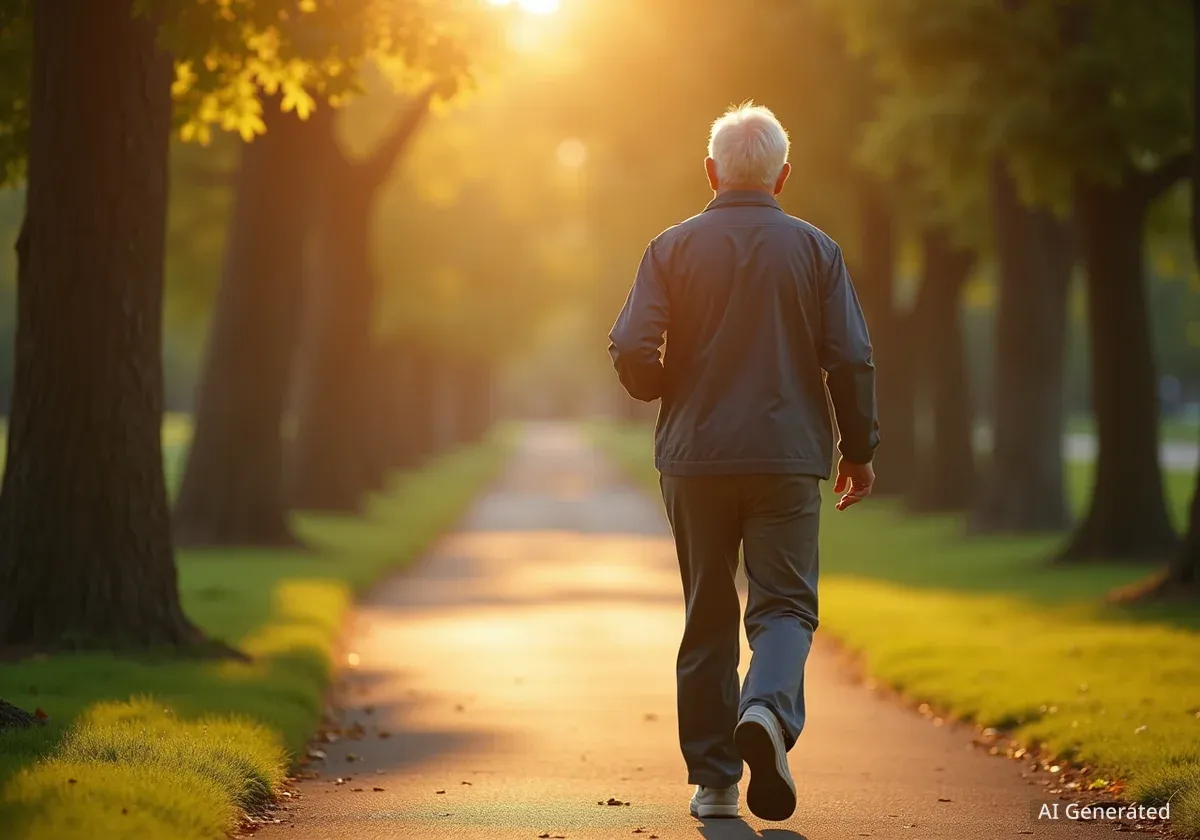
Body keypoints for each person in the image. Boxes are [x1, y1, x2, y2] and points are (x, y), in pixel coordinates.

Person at [607, 102, 880, 822]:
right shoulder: (817, 251)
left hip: (695, 458)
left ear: (711, 171)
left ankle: (715, 782)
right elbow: (850, 357)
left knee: (707, 613)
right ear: (783, 175)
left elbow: (633, 346)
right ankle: (765, 710)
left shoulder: (670, 248)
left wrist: (664, 387)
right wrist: (860, 450)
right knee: (785, 606)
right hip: (787, 459)